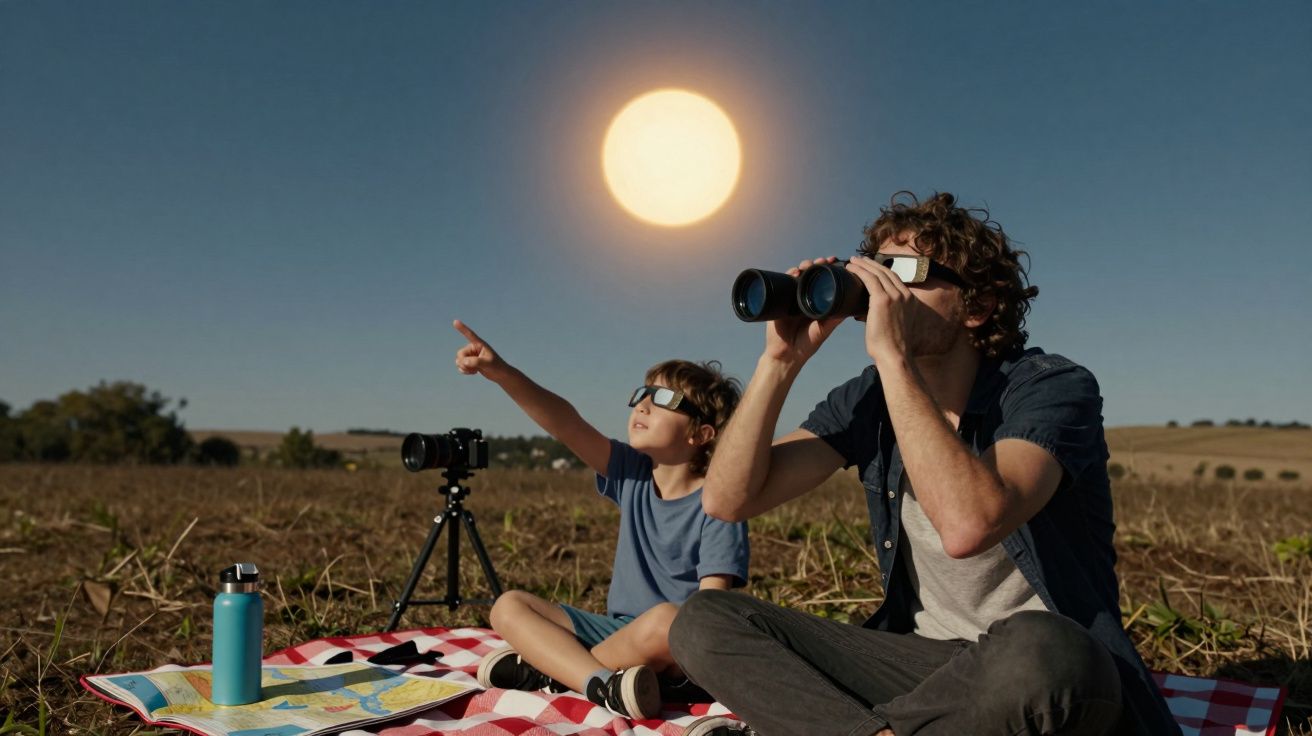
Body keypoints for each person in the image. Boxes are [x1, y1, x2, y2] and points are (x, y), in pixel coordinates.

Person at [669, 192, 1181, 736]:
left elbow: (968, 525)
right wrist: (779, 361)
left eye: (904, 273)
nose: (881, 290)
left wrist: (893, 358)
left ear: (977, 307)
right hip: (922, 666)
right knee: (703, 620)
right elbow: (727, 500)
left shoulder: (1050, 387)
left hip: (1037, 672)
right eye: (874, 269)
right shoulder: (869, 398)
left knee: (1046, 648)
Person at [450, 320, 748, 721]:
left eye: (663, 398)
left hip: (675, 650)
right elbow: (566, 423)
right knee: (507, 606)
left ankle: (553, 670)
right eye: (642, 393)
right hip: (616, 631)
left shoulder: (721, 503)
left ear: (701, 434)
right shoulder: (631, 471)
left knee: (666, 620)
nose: (642, 404)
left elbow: (709, 614)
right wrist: (502, 372)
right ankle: (601, 683)